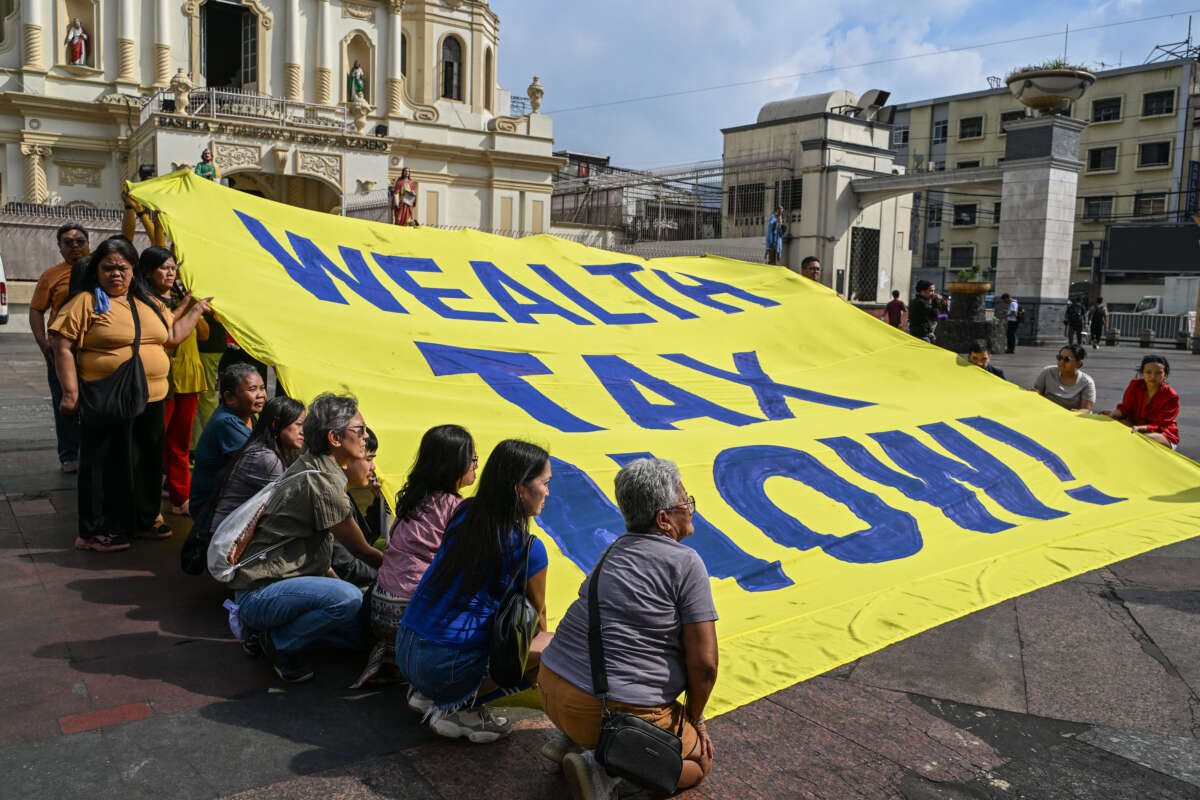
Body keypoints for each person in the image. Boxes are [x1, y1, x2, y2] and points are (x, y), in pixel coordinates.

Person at [539, 457, 718, 797]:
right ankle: (604, 770)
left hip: (550, 688)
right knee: (699, 761)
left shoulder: (610, 553)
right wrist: (696, 720)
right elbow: (705, 665)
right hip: (603, 713)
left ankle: (573, 740)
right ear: (664, 519)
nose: (691, 508)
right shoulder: (686, 563)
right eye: (685, 502)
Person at [50, 236, 210, 552]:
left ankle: (145, 519)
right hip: (104, 395)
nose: (116, 274)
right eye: (108, 268)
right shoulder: (85, 302)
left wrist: (197, 309)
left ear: (133, 270)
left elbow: (173, 335)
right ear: (96, 270)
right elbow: (62, 345)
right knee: (103, 462)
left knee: (147, 459)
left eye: (122, 268)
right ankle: (96, 531)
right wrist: (70, 392)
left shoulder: (150, 302)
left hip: (152, 397)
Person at [395, 439, 553, 743]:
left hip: (406, 648)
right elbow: (538, 619)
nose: (547, 492)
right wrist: (535, 671)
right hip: (445, 666)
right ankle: (460, 709)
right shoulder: (529, 548)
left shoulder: (464, 513)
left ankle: (427, 694)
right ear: (520, 488)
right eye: (544, 483)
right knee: (555, 651)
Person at [231, 393, 384, 682]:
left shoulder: (313, 464)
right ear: (335, 439)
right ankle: (280, 643)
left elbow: (316, 549)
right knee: (349, 599)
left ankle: (271, 634)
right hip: (260, 593)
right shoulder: (324, 483)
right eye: (360, 430)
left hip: (273, 586)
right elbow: (362, 552)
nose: (365, 438)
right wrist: (407, 575)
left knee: (356, 632)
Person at [353, 424, 477, 687]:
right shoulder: (457, 508)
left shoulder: (413, 498)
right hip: (410, 615)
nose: (475, 466)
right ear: (455, 465)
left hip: (380, 610)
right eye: (472, 460)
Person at [139, 247, 209, 516]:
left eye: (173, 267)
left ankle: (181, 498)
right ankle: (146, 505)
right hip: (159, 379)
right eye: (164, 267)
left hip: (188, 377)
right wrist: (183, 309)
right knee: (153, 444)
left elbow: (202, 334)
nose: (171, 272)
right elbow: (165, 334)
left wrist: (194, 308)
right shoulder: (145, 300)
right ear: (147, 272)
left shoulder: (184, 296)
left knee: (179, 443)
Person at [29, 222, 89, 472]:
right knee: (64, 402)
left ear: (88, 243)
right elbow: (36, 310)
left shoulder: (101, 269)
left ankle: (93, 451)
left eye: (80, 241)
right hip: (61, 350)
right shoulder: (52, 275)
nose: (74, 246)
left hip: (94, 350)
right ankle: (69, 455)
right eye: (68, 243)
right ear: (59, 248)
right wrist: (43, 343)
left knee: (95, 403)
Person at [205, 396, 306, 538]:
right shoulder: (266, 459)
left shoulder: (266, 450)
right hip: (226, 542)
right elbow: (290, 505)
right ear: (276, 423)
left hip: (231, 534)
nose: (303, 431)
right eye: (298, 424)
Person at [189, 363, 266, 529]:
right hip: (211, 508)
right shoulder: (227, 423)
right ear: (230, 398)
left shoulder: (249, 415)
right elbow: (259, 464)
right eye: (253, 389)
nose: (261, 395)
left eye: (262, 387)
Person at [1100, 355, 1180, 448]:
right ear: (1142, 373)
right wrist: (1115, 413)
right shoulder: (1135, 385)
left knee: (1142, 439)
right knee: (1111, 423)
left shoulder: (1171, 395)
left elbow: (1160, 424)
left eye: (1158, 373)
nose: (1152, 376)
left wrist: (1140, 428)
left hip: (1162, 433)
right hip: (1135, 426)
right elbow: (1125, 408)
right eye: (1148, 372)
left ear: (1165, 374)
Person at [1034, 345, 1095, 412]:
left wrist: (1077, 412)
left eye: (1067, 359)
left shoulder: (1087, 382)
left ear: (1078, 363)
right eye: (1059, 358)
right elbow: (1037, 394)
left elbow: (1086, 409)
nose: (1061, 362)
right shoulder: (1047, 372)